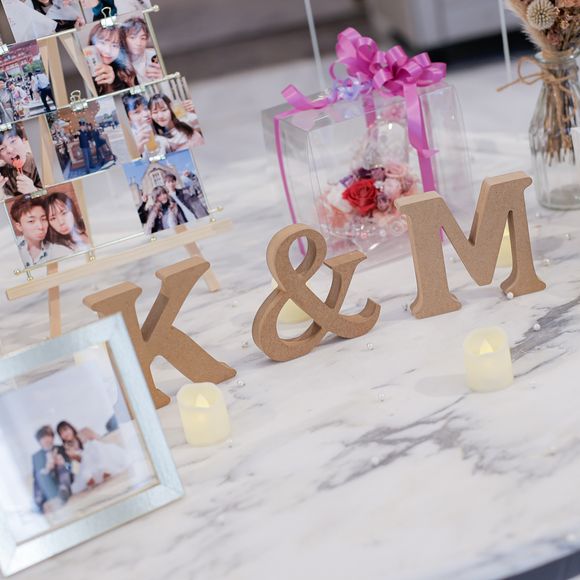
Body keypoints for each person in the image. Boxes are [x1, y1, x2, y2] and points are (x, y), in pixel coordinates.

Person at [56, 420, 127, 494]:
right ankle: (91, 478)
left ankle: (104, 470)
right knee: (83, 465)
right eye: (61, 433)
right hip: (87, 466)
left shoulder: (84, 431)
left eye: (65, 430)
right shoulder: (68, 447)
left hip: (100, 457)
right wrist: (75, 457)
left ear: (71, 428)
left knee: (94, 445)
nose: (64, 434)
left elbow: (101, 441)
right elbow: (76, 466)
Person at [10, 196, 72, 268]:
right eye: (31, 221)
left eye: (44, 219)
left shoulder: (58, 251)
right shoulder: (11, 249)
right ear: (19, 226)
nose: (40, 226)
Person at [88, 24, 138, 95]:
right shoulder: (83, 68)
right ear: (92, 43)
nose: (108, 50)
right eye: (102, 42)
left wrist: (114, 81)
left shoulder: (127, 73)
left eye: (115, 45)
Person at [32, 425, 72, 513]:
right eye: (43, 437)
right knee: (39, 474)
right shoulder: (36, 456)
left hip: (62, 481)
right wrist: (47, 469)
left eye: (48, 436)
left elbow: (71, 468)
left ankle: (63, 492)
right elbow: (36, 478)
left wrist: (63, 463)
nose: (46, 439)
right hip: (46, 484)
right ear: (39, 441)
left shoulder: (61, 449)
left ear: (52, 437)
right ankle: (39, 501)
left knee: (62, 467)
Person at [0, 125, 42, 196]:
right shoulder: (3, 174)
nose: (9, 150)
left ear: (23, 140)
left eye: (12, 141)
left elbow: (51, 194)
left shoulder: (41, 163)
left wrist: (34, 191)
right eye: (2, 148)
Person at [120, 17, 161, 84]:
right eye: (132, 37)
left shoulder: (154, 55)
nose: (138, 43)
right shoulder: (120, 63)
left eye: (143, 38)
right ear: (124, 39)